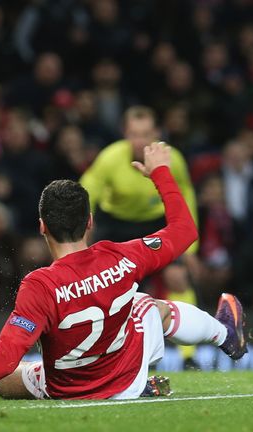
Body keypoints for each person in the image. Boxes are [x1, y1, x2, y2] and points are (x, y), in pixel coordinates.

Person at [0, 141, 246, 405]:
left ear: (42, 227)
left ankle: (163, 368)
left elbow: (3, 358)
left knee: (1, 381)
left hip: (67, 387)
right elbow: (185, 230)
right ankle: (222, 333)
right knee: (147, 307)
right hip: (124, 376)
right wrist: (161, 173)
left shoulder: (40, 285)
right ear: (90, 222)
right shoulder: (123, 257)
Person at [79, 105, 201, 365]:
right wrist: (81, 240)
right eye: (134, 133)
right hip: (116, 227)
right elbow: (85, 195)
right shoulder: (109, 159)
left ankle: (189, 358)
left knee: (178, 278)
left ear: (156, 132)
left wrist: (190, 248)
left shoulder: (171, 159)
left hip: (156, 224)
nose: (140, 140)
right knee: (108, 289)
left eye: (146, 133)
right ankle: (103, 353)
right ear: (125, 133)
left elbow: (185, 196)